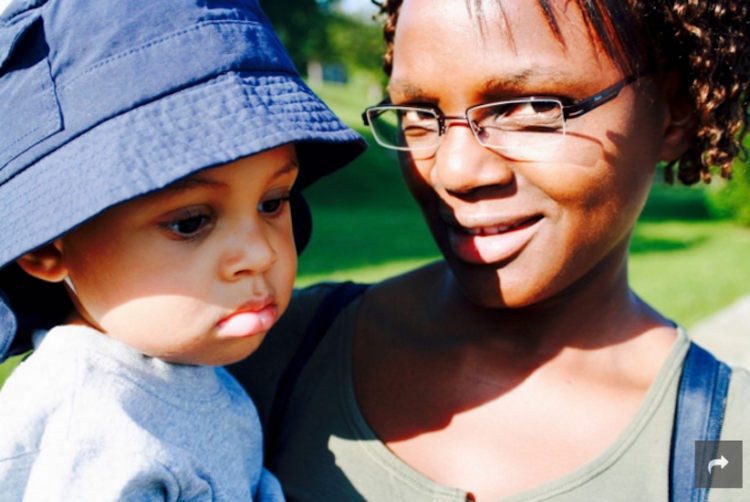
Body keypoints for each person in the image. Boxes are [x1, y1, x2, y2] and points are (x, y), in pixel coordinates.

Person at [228, 0, 750, 500]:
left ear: (676, 114)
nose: (455, 171)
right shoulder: (271, 355)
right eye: (418, 112)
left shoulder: (720, 439)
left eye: (529, 107)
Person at [0, 0, 365, 499]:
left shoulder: (178, 369)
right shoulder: (94, 422)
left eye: (273, 202)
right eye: (191, 222)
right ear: (46, 247)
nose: (260, 254)